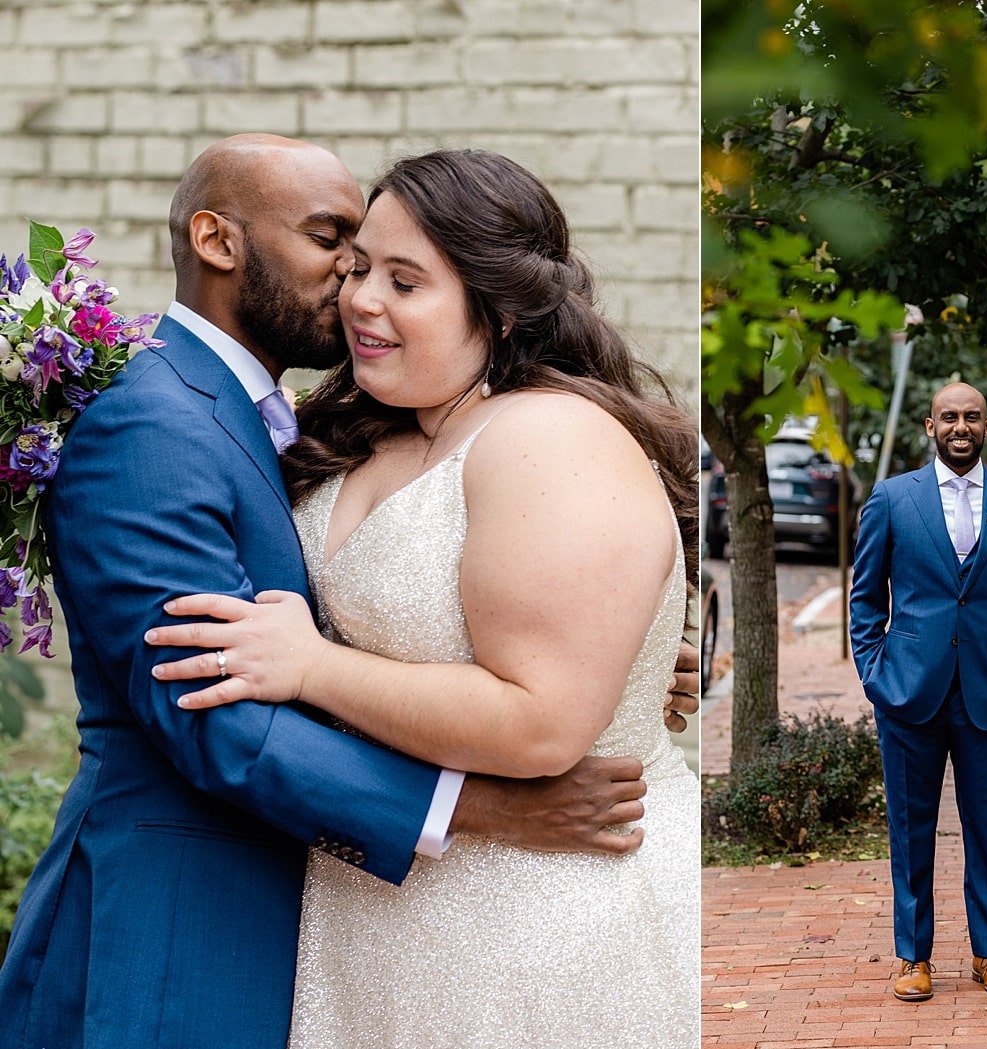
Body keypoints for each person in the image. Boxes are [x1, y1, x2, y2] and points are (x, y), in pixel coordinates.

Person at [0, 135, 694, 1049]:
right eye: (345, 252)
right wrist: (480, 806)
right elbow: (210, 704)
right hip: (217, 909)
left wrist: (631, 656)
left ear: (500, 305)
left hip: (515, 922)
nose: (356, 291)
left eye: (398, 278)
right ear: (218, 242)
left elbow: (518, 676)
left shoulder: (499, 434)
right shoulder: (175, 422)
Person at [849, 382, 987, 1002]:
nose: (960, 427)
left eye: (971, 418)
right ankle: (913, 955)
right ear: (930, 426)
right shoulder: (891, 498)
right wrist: (877, 675)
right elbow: (864, 599)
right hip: (909, 690)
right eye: (948, 418)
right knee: (910, 826)